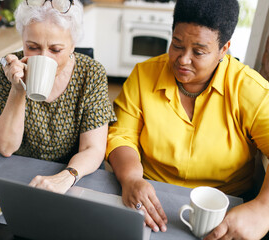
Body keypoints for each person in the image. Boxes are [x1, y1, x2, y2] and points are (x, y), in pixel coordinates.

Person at [106, 0, 269, 239]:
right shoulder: (144, 75)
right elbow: (121, 135)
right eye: (177, 45)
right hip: (150, 196)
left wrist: (263, 210)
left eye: (199, 52)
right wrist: (131, 178)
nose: (183, 59)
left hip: (225, 210)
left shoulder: (249, 89)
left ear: (224, 49)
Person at [0, 0, 116, 194]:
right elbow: (5, 147)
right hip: (22, 173)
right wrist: (18, 89)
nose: (44, 58)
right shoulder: (12, 68)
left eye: (55, 50)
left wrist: (65, 177)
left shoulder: (91, 73)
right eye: (32, 47)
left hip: (76, 178)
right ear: (22, 40)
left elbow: (93, 148)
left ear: (73, 45)